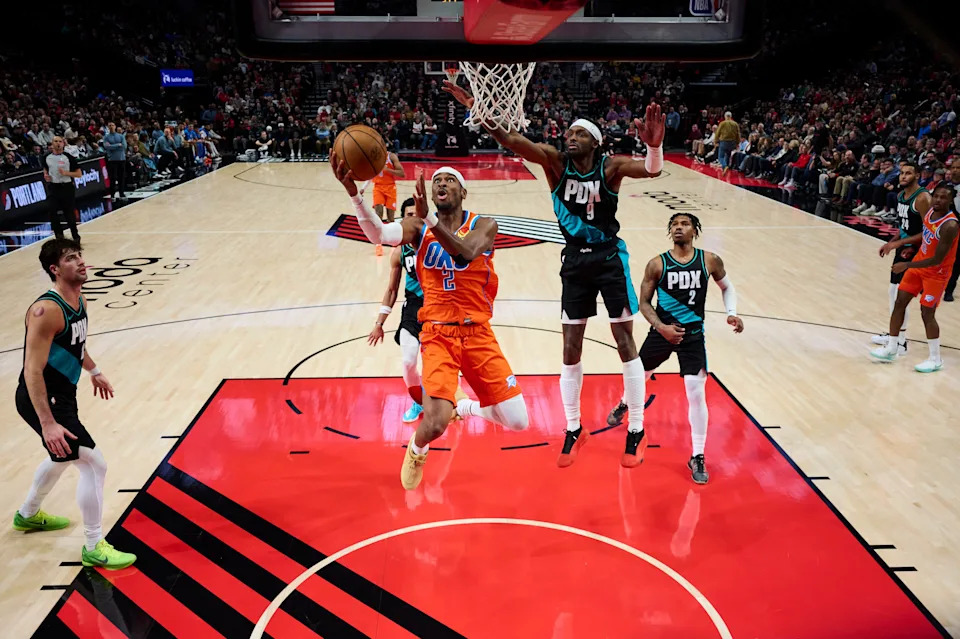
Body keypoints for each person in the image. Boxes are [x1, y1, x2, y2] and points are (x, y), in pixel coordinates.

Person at [444, 81, 665, 469]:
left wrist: (654, 146)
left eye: (579, 133)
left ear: (595, 141)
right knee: (570, 347)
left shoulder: (609, 167)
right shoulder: (554, 162)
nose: (570, 137)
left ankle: (637, 430)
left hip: (610, 258)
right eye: (569, 133)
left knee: (624, 341)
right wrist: (479, 109)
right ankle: (573, 427)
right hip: (575, 263)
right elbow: (512, 140)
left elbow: (651, 170)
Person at [332, 157, 529, 490]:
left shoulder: (484, 225)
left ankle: (463, 408)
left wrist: (430, 219)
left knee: (519, 421)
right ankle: (417, 448)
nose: (441, 184)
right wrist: (354, 193)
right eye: (437, 180)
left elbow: (465, 253)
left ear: (463, 191)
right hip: (438, 333)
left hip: (478, 332)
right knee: (435, 423)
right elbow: (378, 233)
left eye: (449, 180)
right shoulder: (418, 229)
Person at [12, 239, 136, 569]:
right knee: (93, 463)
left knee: (62, 456)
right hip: (43, 399)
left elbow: (75, 344)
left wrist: (94, 370)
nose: (81, 262)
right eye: (71, 258)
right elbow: (31, 370)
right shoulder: (46, 310)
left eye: (80, 256)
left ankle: (27, 514)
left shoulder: (77, 297)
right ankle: (94, 546)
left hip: (63, 395)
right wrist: (48, 422)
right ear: (55, 269)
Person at [615, 213, 744, 484]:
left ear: (695, 230)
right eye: (674, 224)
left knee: (696, 393)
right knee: (639, 374)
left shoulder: (709, 260)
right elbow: (644, 303)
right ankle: (625, 402)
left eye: (684, 224)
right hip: (663, 331)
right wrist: (661, 327)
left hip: (693, 336)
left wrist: (732, 312)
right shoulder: (657, 264)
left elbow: (727, 286)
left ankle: (697, 455)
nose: (678, 228)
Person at [871, 184, 959, 373]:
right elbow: (925, 234)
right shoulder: (929, 213)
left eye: (944, 198)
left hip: (937, 273)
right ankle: (893, 347)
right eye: (936, 196)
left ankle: (936, 359)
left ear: (951, 200)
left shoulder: (950, 225)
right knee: (899, 302)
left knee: (927, 313)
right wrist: (902, 244)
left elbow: (937, 259)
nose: (938, 200)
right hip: (919, 266)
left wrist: (907, 265)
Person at [367, 197, 424, 423]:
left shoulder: (437, 243)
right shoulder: (399, 251)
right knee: (409, 362)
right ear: (403, 220)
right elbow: (392, 289)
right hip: (412, 308)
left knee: (435, 364)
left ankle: (443, 402)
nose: (413, 219)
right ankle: (418, 401)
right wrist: (379, 323)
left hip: (439, 308)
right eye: (409, 215)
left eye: (417, 214)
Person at [871, 162, 931, 353]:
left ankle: (900, 341)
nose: (903, 176)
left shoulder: (922, 198)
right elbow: (904, 227)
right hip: (902, 247)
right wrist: (892, 241)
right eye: (902, 173)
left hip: (916, 250)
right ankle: (895, 335)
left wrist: (898, 244)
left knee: (900, 294)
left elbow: (928, 231)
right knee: (893, 292)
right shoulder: (900, 196)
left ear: (918, 175)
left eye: (908, 173)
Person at [360, 150, 405, 256]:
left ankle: (394, 242)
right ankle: (378, 245)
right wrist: (363, 188)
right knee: (378, 215)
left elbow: (402, 173)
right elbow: (371, 175)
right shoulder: (373, 158)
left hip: (390, 188)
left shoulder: (391, 157)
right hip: (378, 188)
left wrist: (388, 170)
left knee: (391, 218)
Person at [42, 137, 82, 241]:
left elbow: (79, 174)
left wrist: (66, 173)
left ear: (63, 144)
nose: (58, 143)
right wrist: (46, 175)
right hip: (53, 187)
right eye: (56, 141)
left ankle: (75, 236)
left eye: (60, 141)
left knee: (69, 213)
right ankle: (59, 238)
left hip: (67, 187)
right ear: (52, 144)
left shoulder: (68, 157)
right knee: (52, 211)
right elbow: (45, 169)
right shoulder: (46, 157)